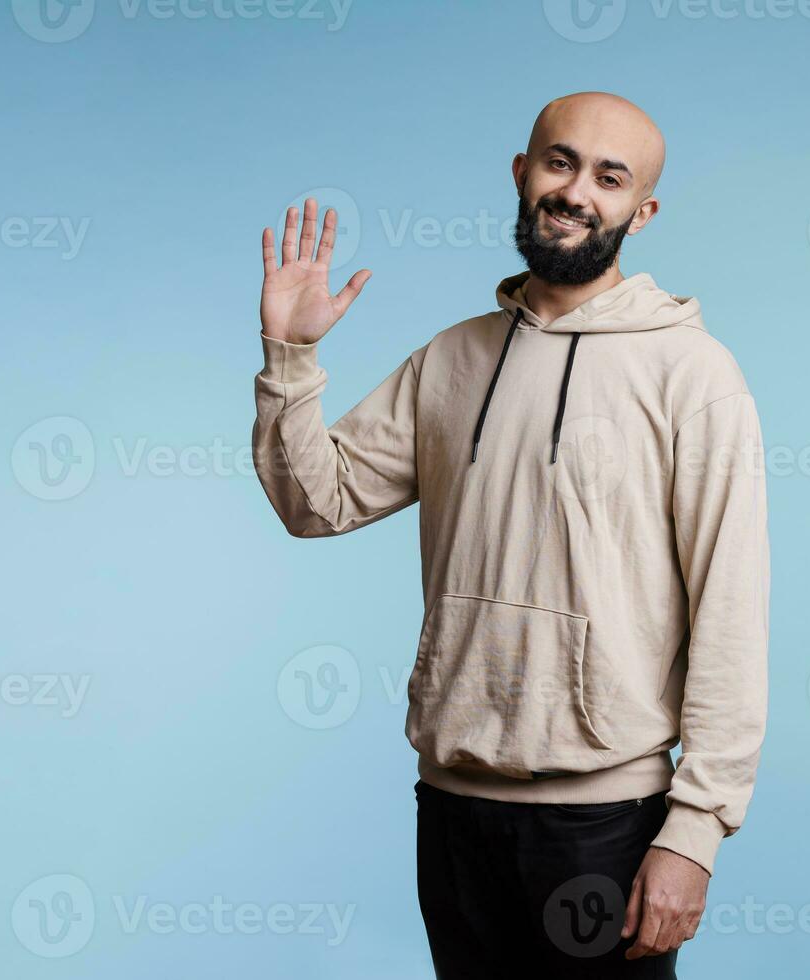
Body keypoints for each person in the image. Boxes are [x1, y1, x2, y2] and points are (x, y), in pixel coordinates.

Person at [251, 91, 769, 978]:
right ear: (522, 172)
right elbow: (318, 502)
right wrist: (290, 358)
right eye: (559, 162)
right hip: (451, 812)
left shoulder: (693, 374)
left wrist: (697, 828)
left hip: (607, 823)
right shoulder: (451, 358)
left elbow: (731, 607)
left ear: (640, 213)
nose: (576, 192)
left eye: (610, 178)